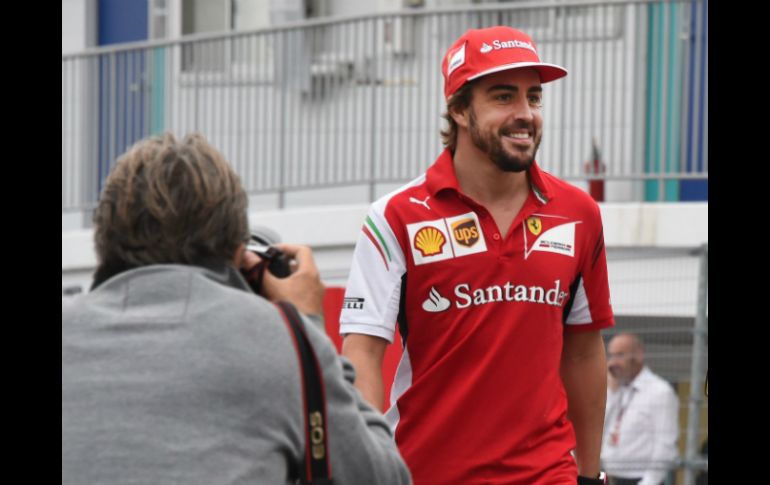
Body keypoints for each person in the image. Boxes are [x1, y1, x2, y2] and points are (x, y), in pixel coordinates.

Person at [339, 26, 614, 484]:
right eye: (504, 97)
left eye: (534, 97)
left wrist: (587, 475)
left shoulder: (578, 213)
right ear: (460, 109)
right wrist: (371, 470)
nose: (525, 114)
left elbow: (584, 352)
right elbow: (363, 353)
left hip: (548, 475)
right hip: (425, 472)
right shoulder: (396, 216)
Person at [61, 133, 412, 485]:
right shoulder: (281, 341)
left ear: (103, 238)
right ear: (237, 251)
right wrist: (305, 328)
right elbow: (381, 476)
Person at [601, 333, 679, 485]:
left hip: (639, 479)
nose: (612, 363)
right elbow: (599, 427)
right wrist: (611, 392)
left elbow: (665, 444)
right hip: (609, 475)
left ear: (638, 356)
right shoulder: (617, 389)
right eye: (611, 355)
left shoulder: (659, 391)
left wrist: (649, 482)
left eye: (620, 355)